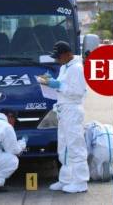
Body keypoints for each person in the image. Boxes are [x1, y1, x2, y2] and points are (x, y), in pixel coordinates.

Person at [38, 41, 89, 193]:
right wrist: (49, 82)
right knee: (64, 147)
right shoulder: (64, 67)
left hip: (73, 109)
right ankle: (66, 179)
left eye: (59, 57)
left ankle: (80, 182)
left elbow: (79, 92)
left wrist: (58, 85)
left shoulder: (78, 68)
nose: (57, 60)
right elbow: (61, 86)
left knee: (75, 146)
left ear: (68, 54)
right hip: (63, 109)